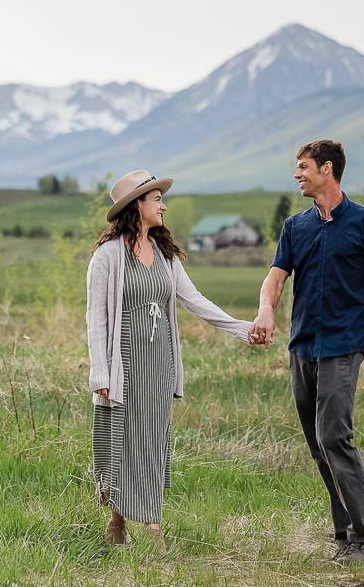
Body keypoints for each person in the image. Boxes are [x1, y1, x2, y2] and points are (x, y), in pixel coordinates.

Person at [87, 169, 254, 549]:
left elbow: (194, 300)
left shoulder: (165, 255)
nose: (163, 204)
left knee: (152, 442)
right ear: (137, 205)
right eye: (156, 198)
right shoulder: (107, 257)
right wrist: (100, 369)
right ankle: (118, 522)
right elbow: (95, 317)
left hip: (159, 365)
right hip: (123, 365)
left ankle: (151, 525)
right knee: (123, 441)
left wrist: (241, 328)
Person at [249, 140, 364, 566]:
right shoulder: (296, 227)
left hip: (342, 348)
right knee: (318, 444)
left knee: (335, 437)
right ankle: (345, 535)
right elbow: (275, 279)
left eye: (303, 167)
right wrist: (265, 311)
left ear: (326, 169)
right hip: (302, 349)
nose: (297, 174)